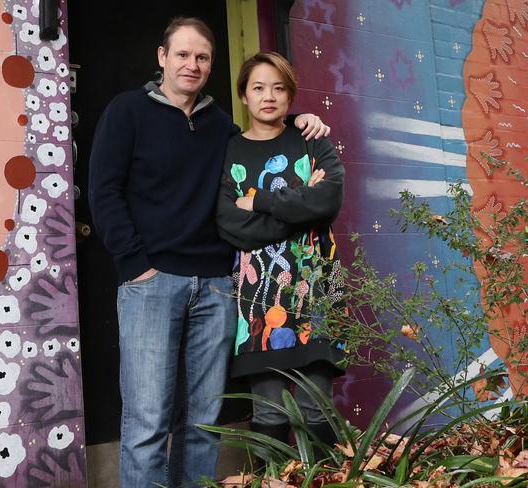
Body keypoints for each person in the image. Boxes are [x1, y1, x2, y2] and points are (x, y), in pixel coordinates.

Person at [88, 18, 330, 488]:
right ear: (162, 57)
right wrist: (135, 265)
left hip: (218, 286)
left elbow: (263, 150)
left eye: (201, 58)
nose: (191, 65)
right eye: (182, 55)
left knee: (203, 422)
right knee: (147, 423)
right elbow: (103, 192)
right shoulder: (127, 112)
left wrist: (300, 122)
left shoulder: (222, 126)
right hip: (150, 285)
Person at [216, 52, 345, 454]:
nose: (268, 96)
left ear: (290, 96)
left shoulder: (310, 140)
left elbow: (329, 199)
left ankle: (330, 481)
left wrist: (257, 202)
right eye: (258, 87)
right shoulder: (230, 151)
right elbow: (226, 221)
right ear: (243, 95)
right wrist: (299, 208)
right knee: (269, 412)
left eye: (278, 88)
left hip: (318, 289)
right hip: (257, 299)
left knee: (315, 409)